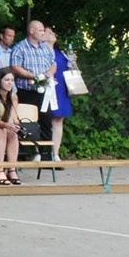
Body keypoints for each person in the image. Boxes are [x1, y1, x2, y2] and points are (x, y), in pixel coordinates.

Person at [10, 20, 56, 147]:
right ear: (31, 31)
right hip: (26, 92)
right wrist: (34, 76)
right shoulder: (19, 47)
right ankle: (26, 152)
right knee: (26, 122)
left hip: (44, 92)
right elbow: (15, 67)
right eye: (40, 30)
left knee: (46, 121)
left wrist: (46, 75)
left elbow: (53, 65)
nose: (43, 33)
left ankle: (46, 153)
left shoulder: (45, 48)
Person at [44, 26, 73, 162]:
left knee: (58, 120)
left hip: (60, 89)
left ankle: (55, 154)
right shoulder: (40, 52)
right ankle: (41, 152)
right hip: (46, 89)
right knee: (44, 120)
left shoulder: (60, 53)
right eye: (49, 32)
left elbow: (72, 70)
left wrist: (73, 62)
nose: (53, 34)